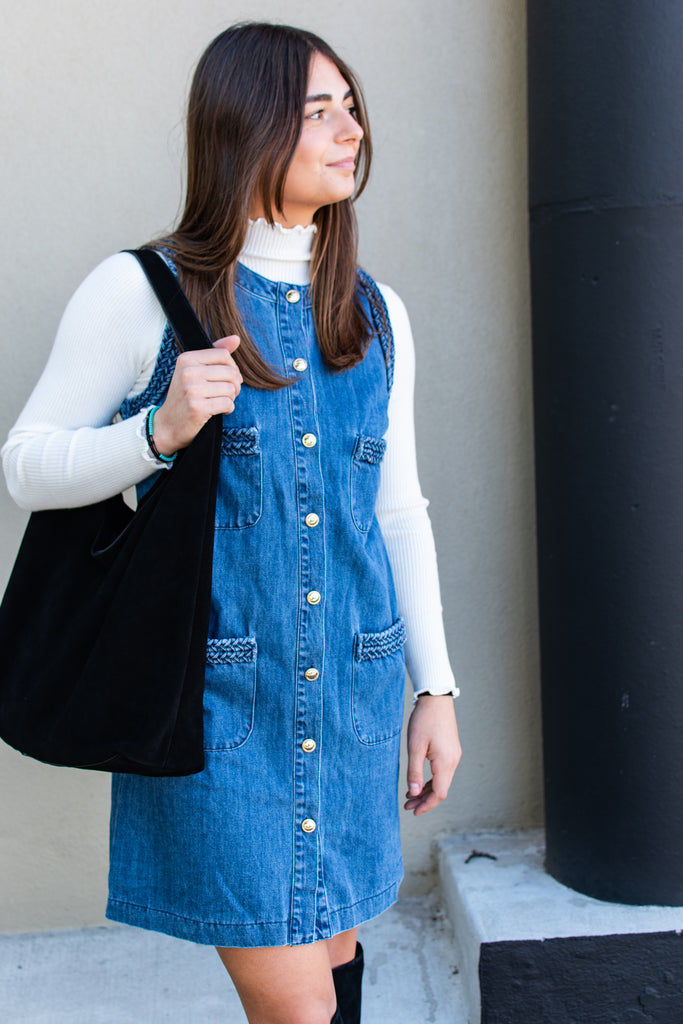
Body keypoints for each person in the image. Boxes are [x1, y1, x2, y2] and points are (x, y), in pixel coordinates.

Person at [2, 22, 461, 1024]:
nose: (351, 131)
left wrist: (435, 686)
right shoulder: (140, 292)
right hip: (219, 718)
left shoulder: (374, 316)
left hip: (353, 697)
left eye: (351, 107)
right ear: (243, 128)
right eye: (316, 111)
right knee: (296, 1006)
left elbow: (396, 511)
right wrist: (157, 432)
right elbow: (25, 466)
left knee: (337, 960)